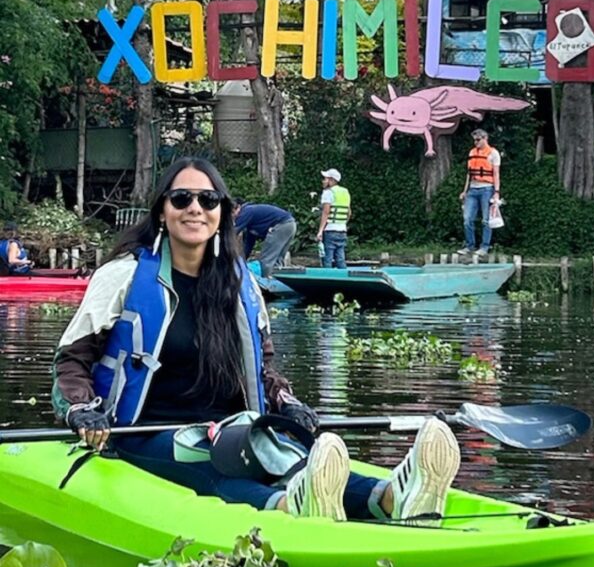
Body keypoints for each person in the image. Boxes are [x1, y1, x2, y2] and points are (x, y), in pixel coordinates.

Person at [52, 156, 460, 523]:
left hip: (229, 428)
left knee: (279, 452)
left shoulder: (241, 283)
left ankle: (389, 497)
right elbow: (71, 361)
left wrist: (287, 401)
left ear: (221, 214)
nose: (195, 208)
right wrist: (82, 410)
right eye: (181, 199)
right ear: (162, 210)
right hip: (141, 433)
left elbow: (263, 369)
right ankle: (288, 507)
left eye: (208, 200)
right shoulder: (123, 275)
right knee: (212, 462)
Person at [458, 129, 501, 258]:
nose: (475, 142)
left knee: (486, 220)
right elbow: (469, 174)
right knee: (467, 219)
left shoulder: (493, 153)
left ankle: (484, 247)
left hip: (487, 189)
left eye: (478, 140)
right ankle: (470, 246)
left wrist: (496, 192)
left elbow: (496, 174)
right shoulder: (472, 152)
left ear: (485, 138)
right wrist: (465, 191)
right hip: (472, 189)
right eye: (474, 140)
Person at [232, 199, 297, 278]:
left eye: (232, 213)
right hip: (291, 224)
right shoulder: (252, 222)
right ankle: (278, 280)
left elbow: (233, 232)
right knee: (277, 260)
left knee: (267, 259)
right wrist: (242, 262)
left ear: (238, 207)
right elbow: (248, 245)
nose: (233, 216)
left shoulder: (246, 211)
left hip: (281, 225)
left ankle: (267, 281)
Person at [317, 168, 351, 269]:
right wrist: (343, 224)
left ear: (332, 180)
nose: (323, 181)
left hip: (330, 230)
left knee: (327, 259)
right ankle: (344, 276)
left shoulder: (328, 192)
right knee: (340, 259)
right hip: (342, 231)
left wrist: (320, 231)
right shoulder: (345, 192)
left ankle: (327, 277)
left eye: (325, 179)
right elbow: (349, 213)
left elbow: (326, 212)